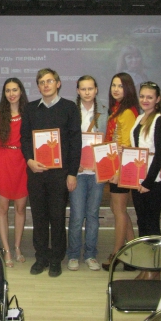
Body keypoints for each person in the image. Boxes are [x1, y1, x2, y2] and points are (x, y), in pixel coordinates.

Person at [20, 68, 81, 278]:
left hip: (60, 174)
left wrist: (72, 173)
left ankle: (56, 259)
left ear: (58, 83)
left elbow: (75, 142)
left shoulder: (69, 108)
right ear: (38, 86)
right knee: (38, 217)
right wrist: (29, 160)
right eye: (42, 82)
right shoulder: (30, 109)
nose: (45, 85)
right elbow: (25, 138)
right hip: (36, 172)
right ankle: (41, 257)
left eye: (49, 81)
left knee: (57, 216)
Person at [0, 78, 29, 268]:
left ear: (21, 92)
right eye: (8, 90)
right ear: (4, 94)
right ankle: (6, 249)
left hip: (22, 163)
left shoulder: (28, 114)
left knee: (20, 209)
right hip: (3, 162)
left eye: (15, 90)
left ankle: (17, 247)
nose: (11, 94)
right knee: (2, 209)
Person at [67, 75, 107, 272]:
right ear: (78, 91)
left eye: (90, 88)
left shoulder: (105, 112)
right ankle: (73, 254)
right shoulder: (71, 112)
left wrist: (105, 164)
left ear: (96, 89)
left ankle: (90, 254)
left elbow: (108, 141)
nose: (87, 92)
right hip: (78, 171)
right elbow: (66, 142)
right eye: (83, 89)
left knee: (92, 215)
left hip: (97, 172)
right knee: (77, 215)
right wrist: (73, 165)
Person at [101, 72, 139, 272]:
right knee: (119, 210)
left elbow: (127, 145)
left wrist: (119, 171)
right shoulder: (117, 109)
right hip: (115, 166)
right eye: (113, 85)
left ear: (128, 89)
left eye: (121, 86)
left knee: (119, 211)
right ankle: (131, 253)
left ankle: (117, 254)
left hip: (122, 168)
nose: (116, 89)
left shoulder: (127, 113)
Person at [130, 81, 161, 280]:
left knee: (152, 224)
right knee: (142, 223)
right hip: (137, 178)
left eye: (150, 97)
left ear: (157, 99)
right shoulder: (139, 118)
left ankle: (155, 270)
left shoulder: (159, 120)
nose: (145, 100)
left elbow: (159, 154)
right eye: (142, 96)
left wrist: (148, 182)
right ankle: (146, 267)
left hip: (153, 181)